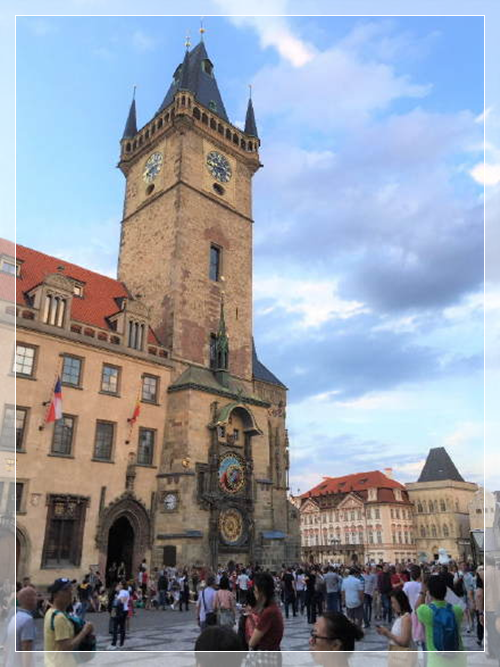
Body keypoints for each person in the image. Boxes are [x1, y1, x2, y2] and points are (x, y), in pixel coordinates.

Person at [415, 574, 463, 656]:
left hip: (436, 659)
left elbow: (416, 609)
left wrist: (422, 591)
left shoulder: (426, 611)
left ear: (429, 592)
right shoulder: (457, 610)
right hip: (458, 656)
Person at [43, 578, 94, 653]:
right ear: (55, 595)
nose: (70, 593)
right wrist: (85, 631)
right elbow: (66, 647)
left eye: (71, 589)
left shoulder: (51, 612)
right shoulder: (59, 617)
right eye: (66, 590)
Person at [248, 571, 284, 651]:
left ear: (261, 592)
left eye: (255, 591)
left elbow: (252, 642)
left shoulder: (269, 612)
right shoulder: (273, 608)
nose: (254, 594)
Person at [376, 589, 415, 659]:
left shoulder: (406, 618)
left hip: (403, 658)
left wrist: (387, 633)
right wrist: (384, 633)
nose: (392, 606)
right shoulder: (400, 617)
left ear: (400, 602)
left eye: (394, 602)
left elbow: (404, 642)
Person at [4, 586, 37, 667]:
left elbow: (6, 647)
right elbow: (26, 649)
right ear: (29, 599)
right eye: (35, 596)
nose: (37, 600)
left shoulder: (14, 618)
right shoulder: (27, 620)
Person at [107, 579, 130, 650]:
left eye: (120, 584)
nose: (119, 585)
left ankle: (114, 644)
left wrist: (117, 597)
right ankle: (121, 644)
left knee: (115, 627)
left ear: (122, 585)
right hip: (125, 610)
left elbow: (122, 601)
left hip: (119, 611)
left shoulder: (122, 592)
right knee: (122, 627)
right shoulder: (127, 592)